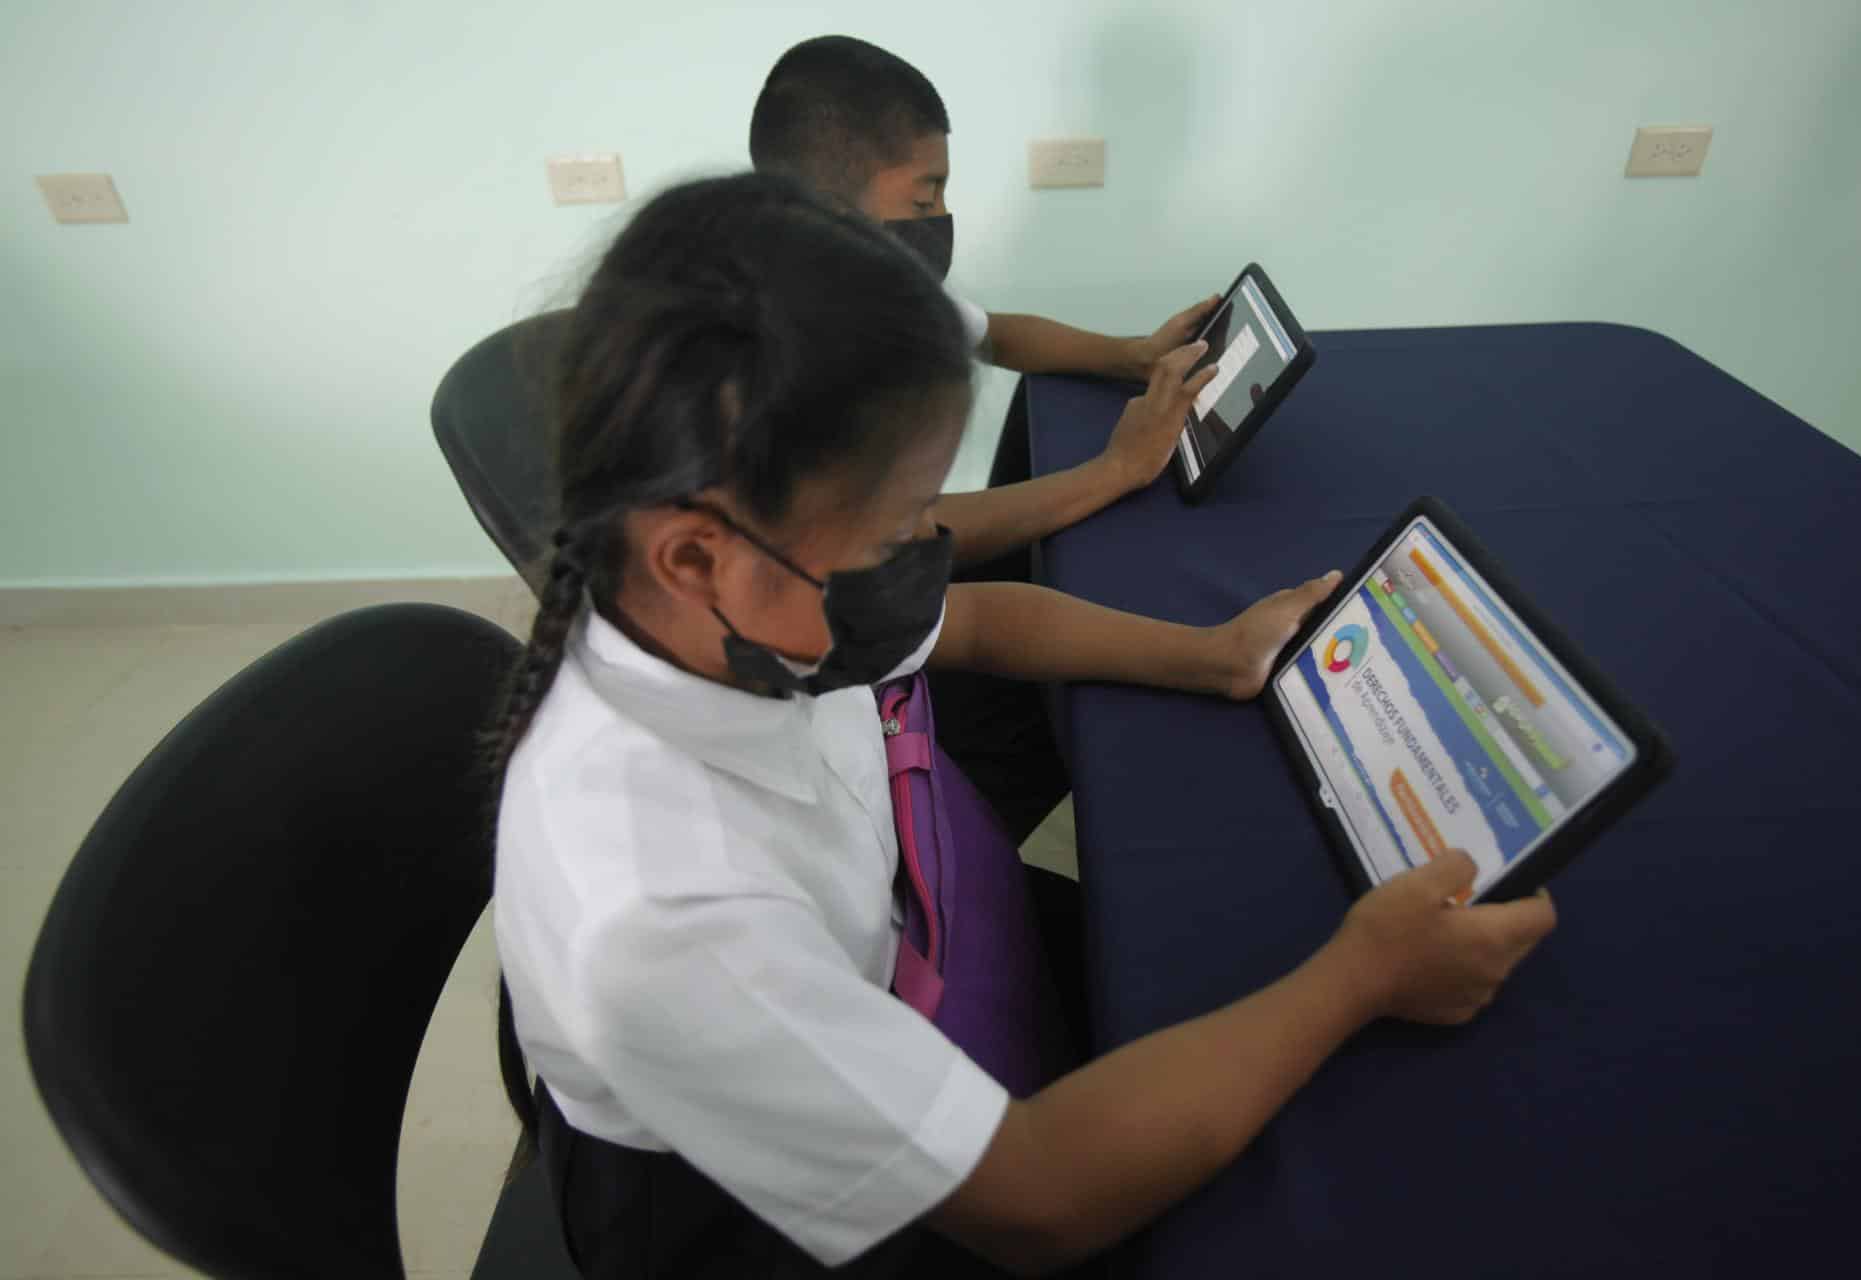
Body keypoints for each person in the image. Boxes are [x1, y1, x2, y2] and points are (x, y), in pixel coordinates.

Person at [491, 171, 1558, 1278]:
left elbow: (979, 624)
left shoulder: (717, 611)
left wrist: (1211, 653)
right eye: (899, 526)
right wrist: (1363, 975)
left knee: (1201, 949)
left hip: (901, 954)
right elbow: (1040, 1195)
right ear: (698, 555)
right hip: (752, 1224)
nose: (928, 549)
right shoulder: (666, 907)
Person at [750, 34, 1220, 839]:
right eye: (925, 197)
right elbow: (945, 579)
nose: (941, 221)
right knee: (1073, 710)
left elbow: (994, 334)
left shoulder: (848, 277)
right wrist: (1115, 471)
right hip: (844, 726)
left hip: (872, 621)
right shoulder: (808, 374)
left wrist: (1132, 355)